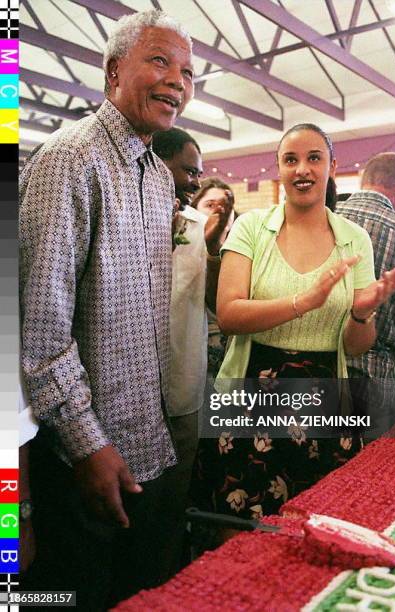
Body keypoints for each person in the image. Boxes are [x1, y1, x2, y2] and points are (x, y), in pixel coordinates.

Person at [19, 10, 194, 609]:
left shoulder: (157, 176)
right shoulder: (69, 159)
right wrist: (88, 445)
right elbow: (41, 333)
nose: (177, 81)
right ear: (113, 71)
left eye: (188, 72)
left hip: (144, 446)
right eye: (160, 61)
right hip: (83, 462)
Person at [192, 124, 395, 523]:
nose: (302, 169)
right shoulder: (252, 227)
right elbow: (230, 314)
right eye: (290, 159)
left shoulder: (354, 238)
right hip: (249, 397)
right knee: (239, 535)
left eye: (314, 158)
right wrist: (303, 302)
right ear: (279, 168)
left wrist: (362, 313)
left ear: (332, 166)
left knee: (314, 531)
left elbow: (356, 346)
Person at [151, 128, 232, 576]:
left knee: (169, 507)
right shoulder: (127, 221)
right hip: (128, 392)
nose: (193, 184)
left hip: (184, 382)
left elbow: (205, 298)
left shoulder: (194, 226)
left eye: (198, 174)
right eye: (187, 171)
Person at [336, 153, 395, 421]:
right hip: (372, 374)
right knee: (371, 461)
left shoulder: (327, 217)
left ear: (364, 180)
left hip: (315, 366)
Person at [190, 177, 236, 376]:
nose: (219, 211)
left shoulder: (244, 251)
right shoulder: (179, 246)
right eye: (210, 205)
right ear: (194, 210)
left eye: (225, 205)